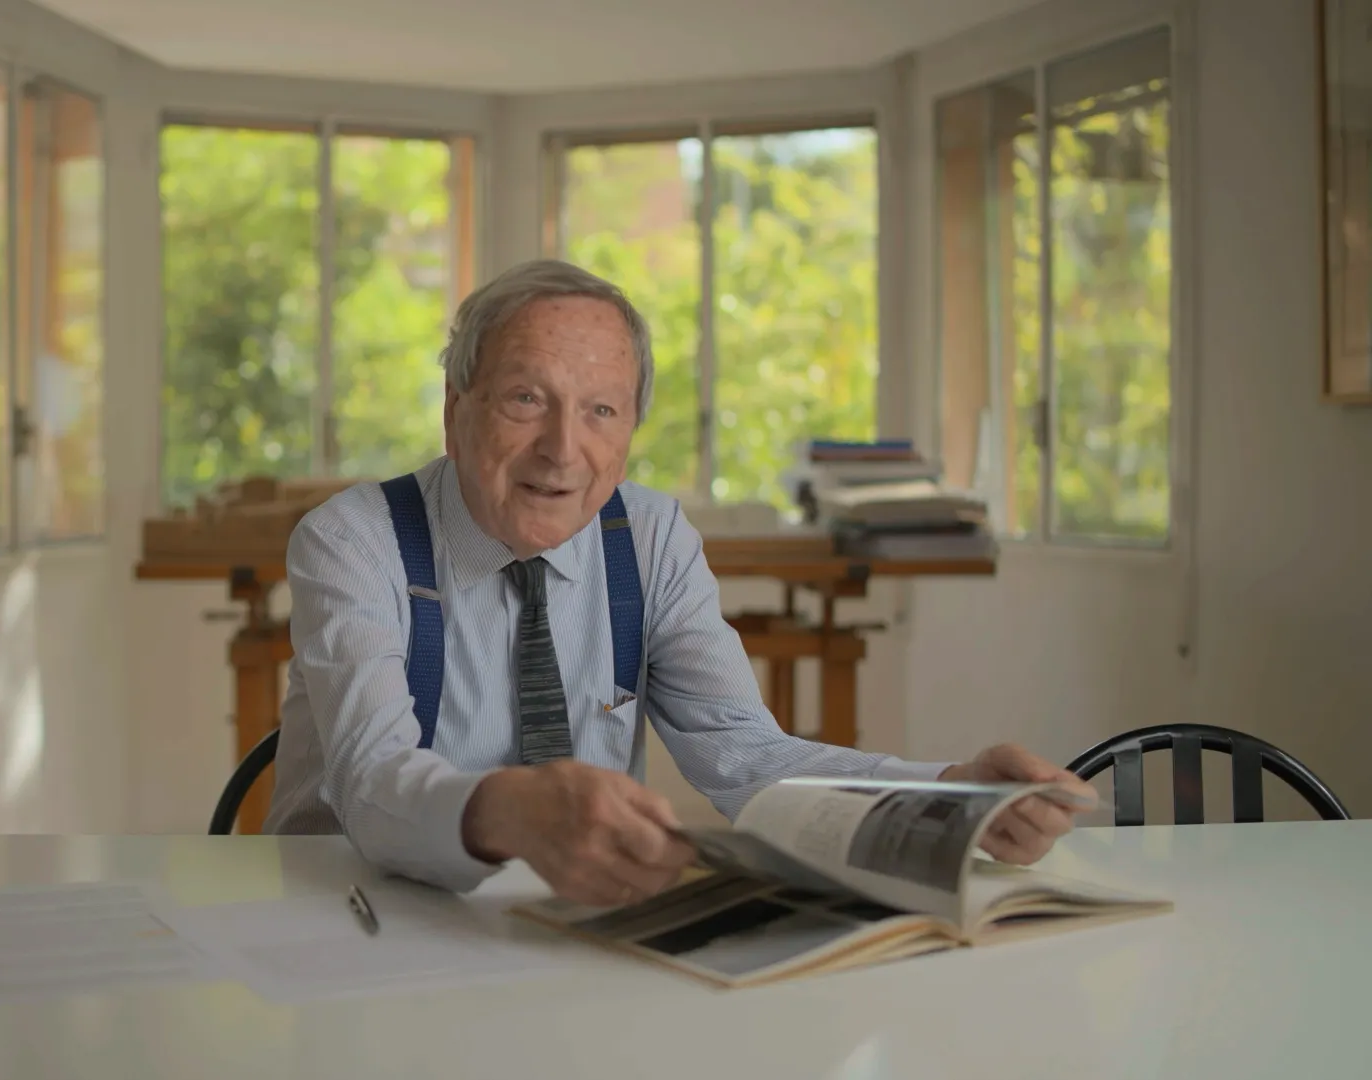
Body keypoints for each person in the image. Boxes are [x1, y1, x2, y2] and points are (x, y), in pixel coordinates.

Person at [264, 258, 1091, 908]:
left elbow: (748, 757)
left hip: (564, 918)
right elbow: (371, 783)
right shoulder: (355, 540)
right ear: (456, 410)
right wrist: (517, 808)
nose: (563, 450)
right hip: (351, 910)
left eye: (601, 410)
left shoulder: (651, 537)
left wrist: (948, 798)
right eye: (525, 399)